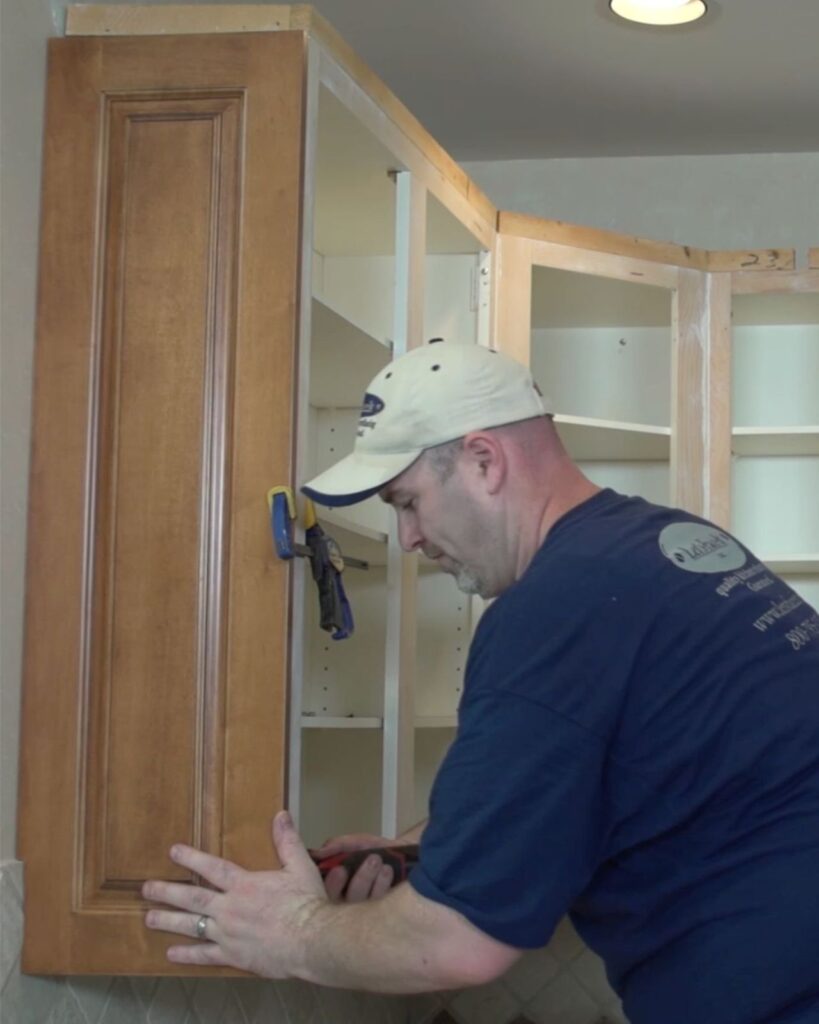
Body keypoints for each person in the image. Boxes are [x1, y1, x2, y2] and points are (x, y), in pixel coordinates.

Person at [143, 341, 819, 1024]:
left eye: (406, 501)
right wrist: (422, 847)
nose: (407, 537)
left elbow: (457, 944)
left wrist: (289, 933)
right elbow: (620, 778)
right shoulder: (663, 542)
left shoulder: (556, 610)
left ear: (483, 461)